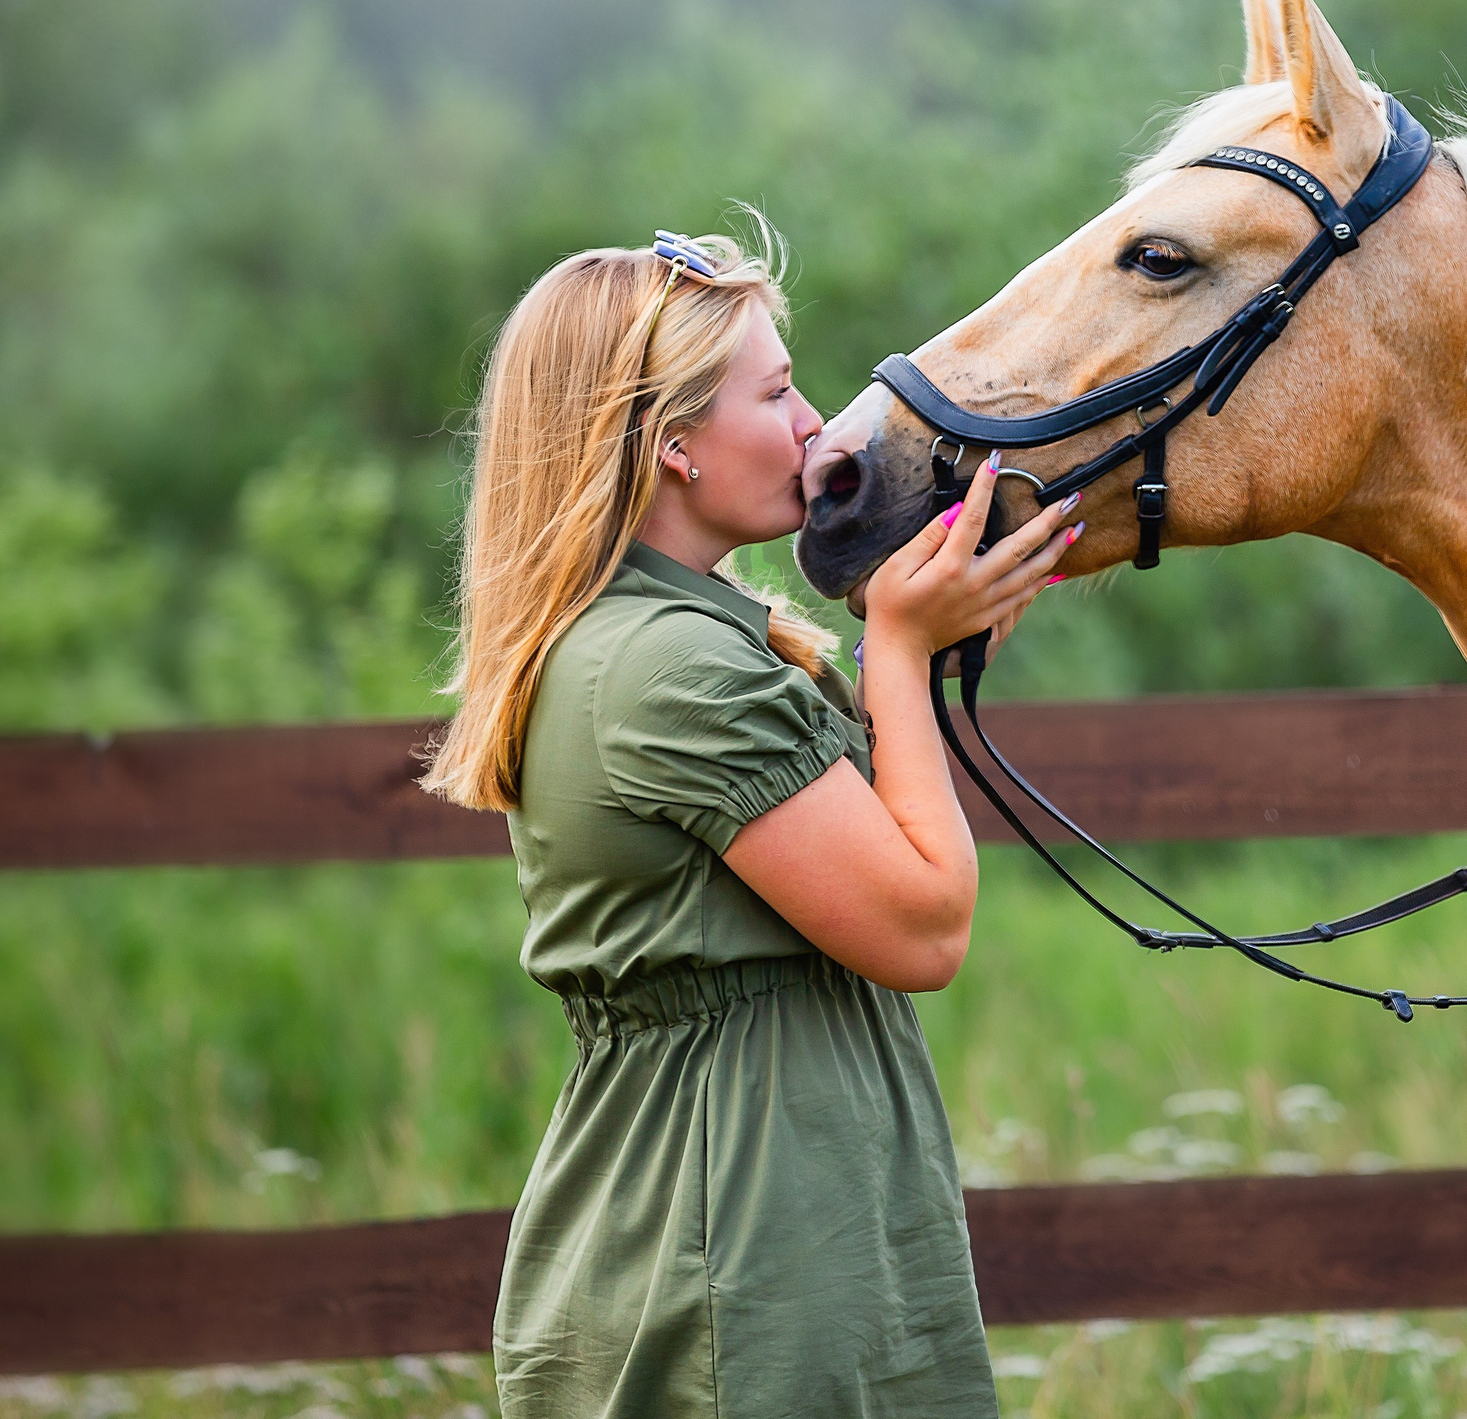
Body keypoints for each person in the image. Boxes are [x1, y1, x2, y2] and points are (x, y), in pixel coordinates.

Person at [422, 227, 1077, 1417]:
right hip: (745, 1255)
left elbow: (854, 852)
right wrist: (898, 643)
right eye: (776, 393)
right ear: (671, 445)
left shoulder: (667, 634)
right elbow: (922, 927)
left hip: (741, 1223)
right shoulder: (671, 669)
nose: (816, 426)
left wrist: (917, 658)